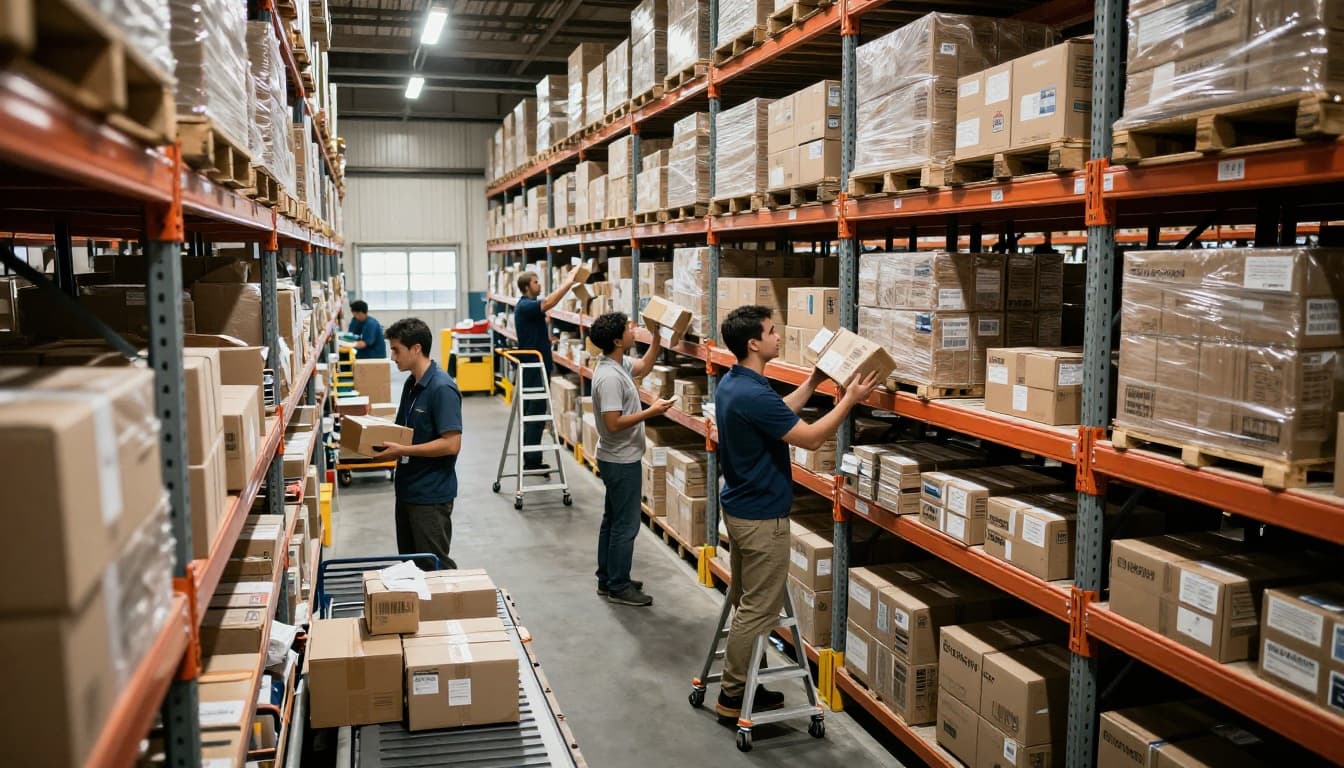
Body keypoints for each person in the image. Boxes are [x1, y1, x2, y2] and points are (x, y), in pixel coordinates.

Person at [712, 305, 878, 719]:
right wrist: (850, 402)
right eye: (771, 331)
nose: (778, 336)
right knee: (760, 609)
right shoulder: (751, 391)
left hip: (740, 508)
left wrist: (814, 382)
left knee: (748, 601)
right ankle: (733, 696)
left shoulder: (737, 384)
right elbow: (811, 438)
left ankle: (749, 677)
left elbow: (776, 412)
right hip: (762, 518)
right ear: (753, 343)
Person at [588, 312, 673, 607]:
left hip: (618, 456)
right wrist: (653, 411)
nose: (632, 330)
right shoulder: (610, 378)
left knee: (612, 521)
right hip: (620, 460)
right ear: (616, 341)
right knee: (625, 525)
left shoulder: (616, 363)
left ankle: (607, 577)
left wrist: (659, 337)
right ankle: (619, 586)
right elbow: (613, 423)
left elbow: (645, 366)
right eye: (627, 328)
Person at [376, 318, 464, 569]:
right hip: (407, 491)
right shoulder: (411, 383)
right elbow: (402, 430)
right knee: (410, 565)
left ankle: (451, 606)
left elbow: (451, 444)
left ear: (416, 349)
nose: (392, 356)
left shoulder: (442, 388)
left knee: (434, 565)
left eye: (396, 350)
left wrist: (402, 450)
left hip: (430, 495)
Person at [514, 270, 579, 471]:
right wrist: (569, 282)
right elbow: (548, 303)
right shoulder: (525, 306)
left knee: (534, 412)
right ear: (527, 287)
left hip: (535, 364)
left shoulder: (527, 308)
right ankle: (532, 461)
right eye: (535, 282)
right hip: (533, 367)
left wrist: (547, 340)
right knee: (536, 411)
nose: (539, 285)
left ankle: (531, 458)